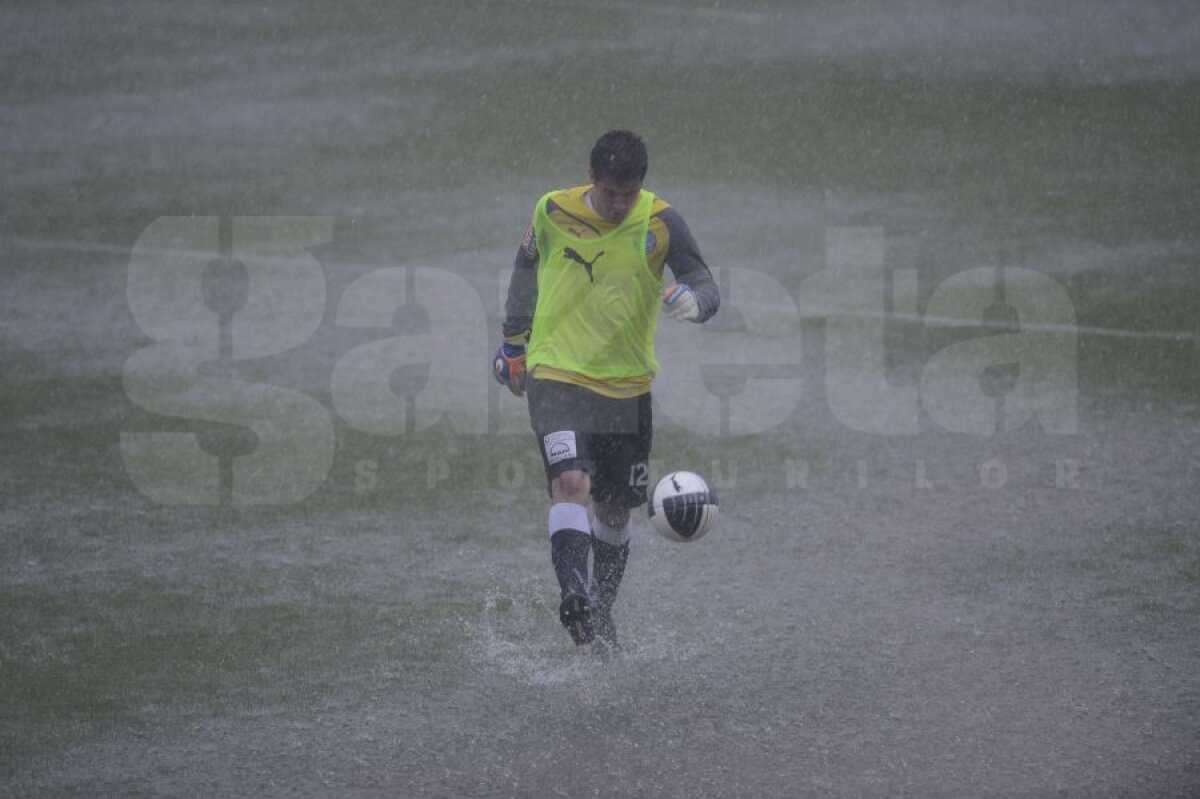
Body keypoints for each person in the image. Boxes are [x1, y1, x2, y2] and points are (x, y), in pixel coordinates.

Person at [493, 129, 720, 657]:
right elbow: (525, 270)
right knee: (570, 482)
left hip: (627, 386)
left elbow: (705, 281)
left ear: (641, 185)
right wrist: (512, 342)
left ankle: (599, 609)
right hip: (558, 373)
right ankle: (573, 592)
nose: (620, 205)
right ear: (592, 179)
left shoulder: (661, 222)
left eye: (629, 194)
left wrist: (696, 301)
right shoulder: (552, 210)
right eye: (610, 193)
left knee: (615, 511)